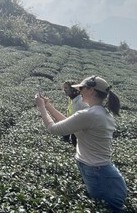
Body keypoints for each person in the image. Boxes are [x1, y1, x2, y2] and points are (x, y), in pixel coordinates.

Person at [35, 75, 127, 212]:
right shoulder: (99, 113)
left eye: (82, 88)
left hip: (97, 172)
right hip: (97, 169)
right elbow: (68, 122)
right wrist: (48, 106)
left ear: (91, 90)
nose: (80, 92)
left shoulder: (90, 114)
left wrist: (41, 107)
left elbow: (54, 129)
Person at [62, 79, 88, 145]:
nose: (64, 90)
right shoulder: (72, 100)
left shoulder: (81, 101)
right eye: (64, 88)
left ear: (73, 89)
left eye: (66, 88)